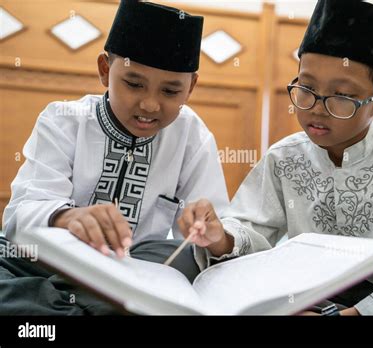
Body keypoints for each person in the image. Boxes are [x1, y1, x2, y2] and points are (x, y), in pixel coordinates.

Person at [178, 0, 373, 316]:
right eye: (306, 88)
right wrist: (218, 236)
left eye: (343, 96)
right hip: (316, 293)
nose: (316, 108)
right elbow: (251, 232)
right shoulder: (283, 158)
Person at [0, 0, 228, 314]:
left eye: (170, 92)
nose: (150, 105)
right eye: (134, 84)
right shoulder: (63, 119)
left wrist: (210, 233)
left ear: (191, 88)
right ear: (105, 70)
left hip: (131, 270)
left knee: (180, 260)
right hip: (47, 266)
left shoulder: (193, 137)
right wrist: (69, 218)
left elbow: (217, 229)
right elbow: (19, 217)